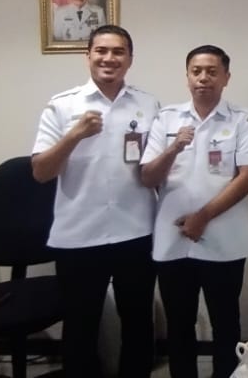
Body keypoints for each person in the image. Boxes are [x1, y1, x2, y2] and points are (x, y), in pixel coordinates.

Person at [30, 25, 160, 378]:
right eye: (101, 50)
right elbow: (41, 172)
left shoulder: (148, 105)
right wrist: (74, 135)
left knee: (139, 324)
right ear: (87, 55)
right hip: (79, 236)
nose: (109, 58)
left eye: (118, 51)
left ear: (130, 59)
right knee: (80, 328)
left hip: (136, 231)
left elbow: (156, 169)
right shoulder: (63, 105)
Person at [141, 45, 248, 378]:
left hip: (224, 241)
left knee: (226, 324)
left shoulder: (242, 119)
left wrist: (202, 217)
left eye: (211, 71)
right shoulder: (166, 119)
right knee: (179, 326)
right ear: (187, 77)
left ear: (226, 77)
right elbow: (148, 177)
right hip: (173, 241)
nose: (203, 78)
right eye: (196, 71)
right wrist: (174, 147)